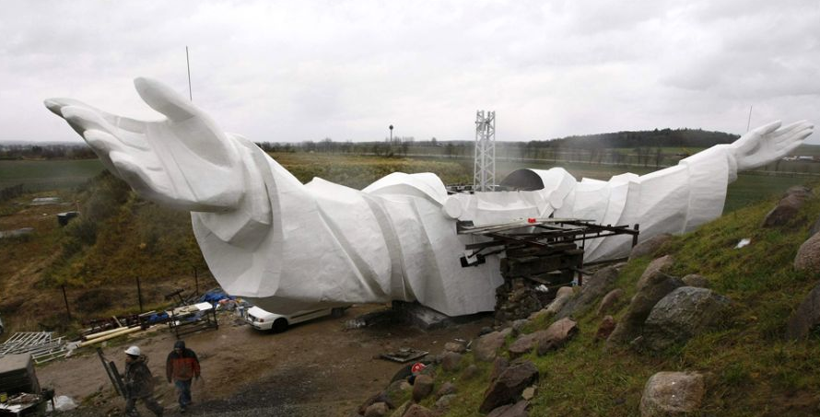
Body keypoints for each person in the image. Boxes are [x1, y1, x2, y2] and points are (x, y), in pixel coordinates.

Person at [44, 78, 814, 317]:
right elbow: (367, 240)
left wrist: (722, 160)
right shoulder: (425, 214)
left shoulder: (566, 202)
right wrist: (251, 189)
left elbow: (632, 201)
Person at [123, 346, 164, 417]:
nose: (126, 358)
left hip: (142, 388)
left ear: (133, 357)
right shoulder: (128, 364)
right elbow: (127, 373)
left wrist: (148, 389)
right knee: (129, 407)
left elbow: (148, 378)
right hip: (132, 389)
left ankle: (161, 413)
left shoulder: (141, 367)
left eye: (128, 356)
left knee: (150, 404)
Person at [165, 340, 201, 413]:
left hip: (188, 376)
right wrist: (169, 377)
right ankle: (182, 406)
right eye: (176, 350)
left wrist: (197, 374)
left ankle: (188, 401)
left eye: (179, 350)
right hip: (177, 377)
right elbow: (169, 367)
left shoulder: (190, 353)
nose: (177, 352)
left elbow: (196, 364)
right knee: (181, 390)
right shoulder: (171, 355)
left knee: (187, 389)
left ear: (183, 349)